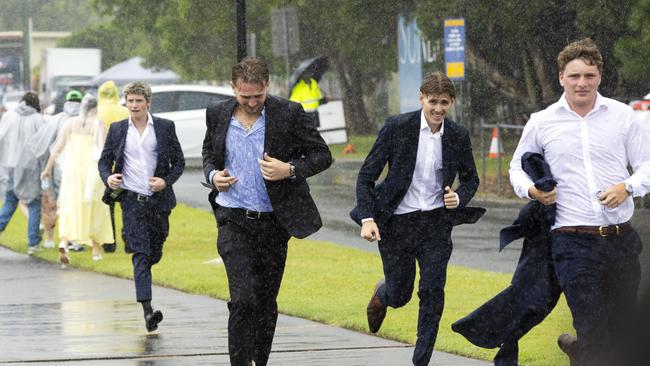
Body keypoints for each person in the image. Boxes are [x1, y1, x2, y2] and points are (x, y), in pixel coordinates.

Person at [509, 38, 650, 366]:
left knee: (623, 332)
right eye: (574, 76)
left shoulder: (623, 116)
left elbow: (647, 164)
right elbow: (517, 167)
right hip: (571, 242)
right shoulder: (542, 122)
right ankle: (585, 348)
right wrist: (533, 192)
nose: (582, 82)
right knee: (592, 325)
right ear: (561, 78)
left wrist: (627, 187)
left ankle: (580, 350)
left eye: (589, 75)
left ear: (599, 76)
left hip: (621, 241)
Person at [202, 57, 332, 366]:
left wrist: (289, 169)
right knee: (243, 299)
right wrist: (213, 176)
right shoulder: (218, 113)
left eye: (257, 96)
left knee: (265, 301)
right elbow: (209, 153)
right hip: (233, 219)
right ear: (233, 88)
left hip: (274, 222)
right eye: (244, 96)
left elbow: (322, 155)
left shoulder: (288, 113)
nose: (250, 102)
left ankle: (260, 360)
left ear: (267, 86)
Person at [350, 72, 483, 366]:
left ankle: (420, 360)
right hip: (397, 224)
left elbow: (471, 179)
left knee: (433, 290)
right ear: (421, 98)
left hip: (436, 224)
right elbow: (366, 176)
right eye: (433, 101)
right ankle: (383, 294)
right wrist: (368, 219)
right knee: (401, 295)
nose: (438, 109)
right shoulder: (397, 127)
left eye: (444, 103)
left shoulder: (458, 135)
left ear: (452, 103)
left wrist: (459, 197)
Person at [98, 81, 184, 332]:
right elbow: (104, 162)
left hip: (158, 202)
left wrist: (165, 181)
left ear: (148, 102)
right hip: (131, 201)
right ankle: (148, 311)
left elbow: (178, 162)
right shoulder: (117, 129)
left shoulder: (166, 128)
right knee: (140, 253)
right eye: (130, 101)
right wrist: (109, 178)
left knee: (154, 251)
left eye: (138, 101)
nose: (133, 105)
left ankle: (147, 270)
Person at [41, 94, 113, 265]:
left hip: (72, 173)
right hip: (91, 172)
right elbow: (103, 150)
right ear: (95, 109)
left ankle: (64, 242)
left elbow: (57, 148)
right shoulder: (98, 124)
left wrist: (47, 169)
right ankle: (95, 250)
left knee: (70, 206)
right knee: (94, 207)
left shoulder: (70, 123)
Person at [0, 91, 45, 254]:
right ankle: (33, 242)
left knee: (10, 201)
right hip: (29, 166)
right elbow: (43, 143)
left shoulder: (9, 117)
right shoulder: (39, 120)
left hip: (10, 165)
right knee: (33, 203)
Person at [38, 89, 82, 249]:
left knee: (53, 203)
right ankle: (70, 238)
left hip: (57, 167)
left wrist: (46, 168)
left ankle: (51, 238)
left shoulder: (56, 120)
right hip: (78, 169)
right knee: (72, 204)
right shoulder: (86, 120)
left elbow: (47, 145)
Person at [97, 80, 130, 254]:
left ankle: (110, 242)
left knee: (107, 203)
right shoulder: (125, 111)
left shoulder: (97, 112)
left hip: (105, 164)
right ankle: (129, 238)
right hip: (125, 162)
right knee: (127, 202)